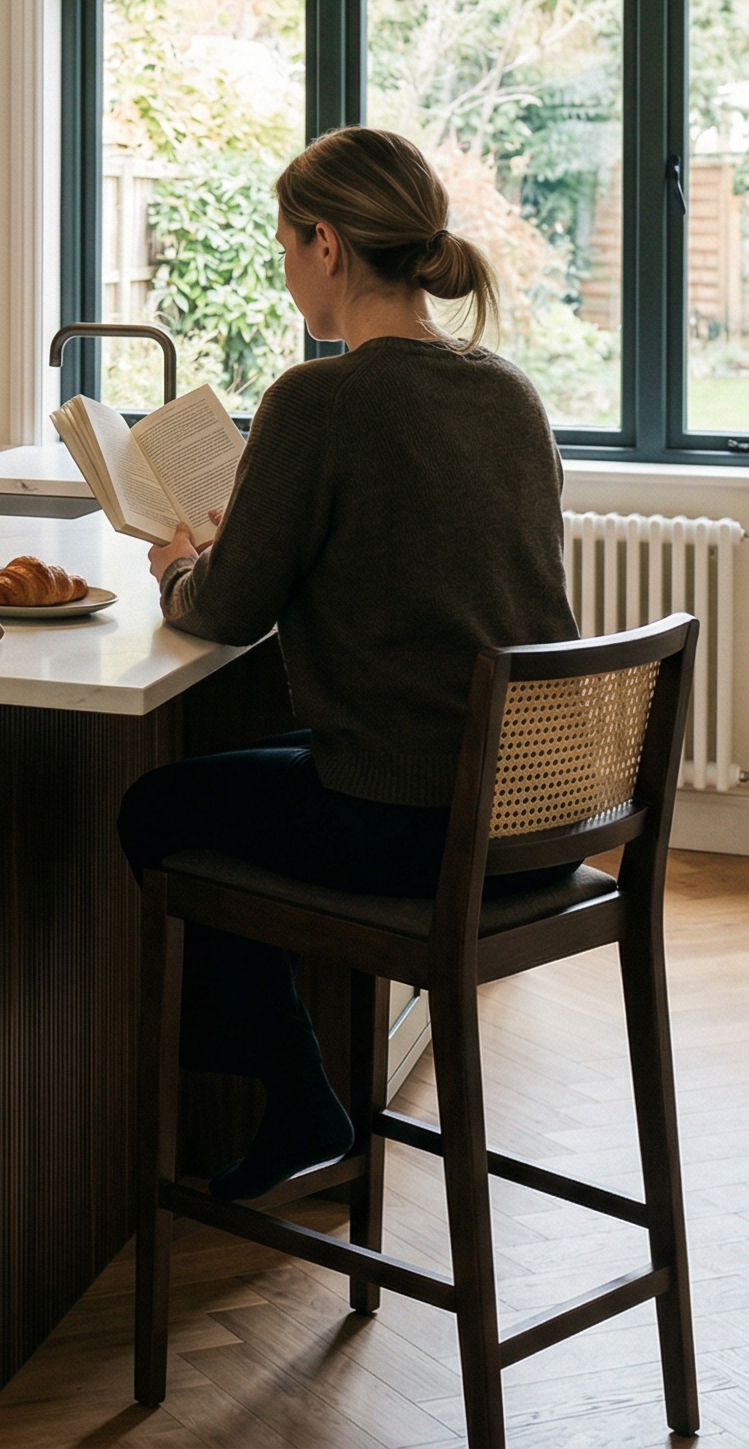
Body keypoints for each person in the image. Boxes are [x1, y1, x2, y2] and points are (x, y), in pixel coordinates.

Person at [116, 125, 576, 1200]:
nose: (283, 267)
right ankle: (302, 1099)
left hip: (426, 826)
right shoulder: (504, 389)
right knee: (260, 759)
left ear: (324, 243)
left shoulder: (318, 399)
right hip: (537, 810)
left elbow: (224, 615)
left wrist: (182, 567)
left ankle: (295, 1099)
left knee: (156, 807)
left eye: (284, 242)